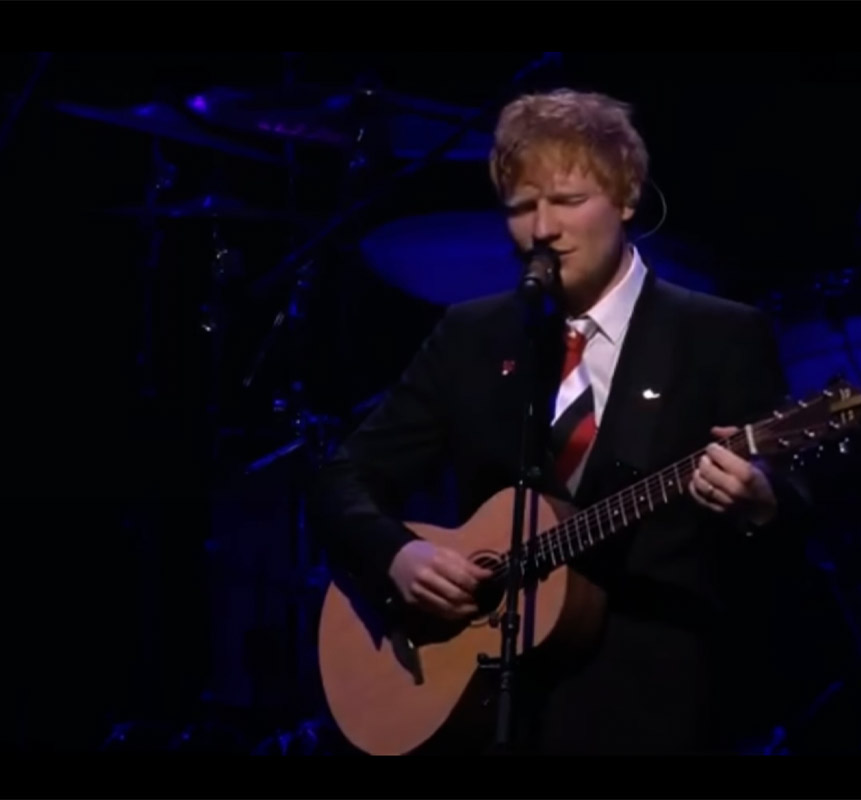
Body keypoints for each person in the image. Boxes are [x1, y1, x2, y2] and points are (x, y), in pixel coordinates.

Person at [312, 88, 812, 755]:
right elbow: (344, 478)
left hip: (650, 702)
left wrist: (761, 501)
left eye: (568, 201)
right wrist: (398, 555)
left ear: (626, 197)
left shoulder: (718, 335)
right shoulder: (474, 336)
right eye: (522, 208)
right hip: (483, 699)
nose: (542, 229)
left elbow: (794, 511)